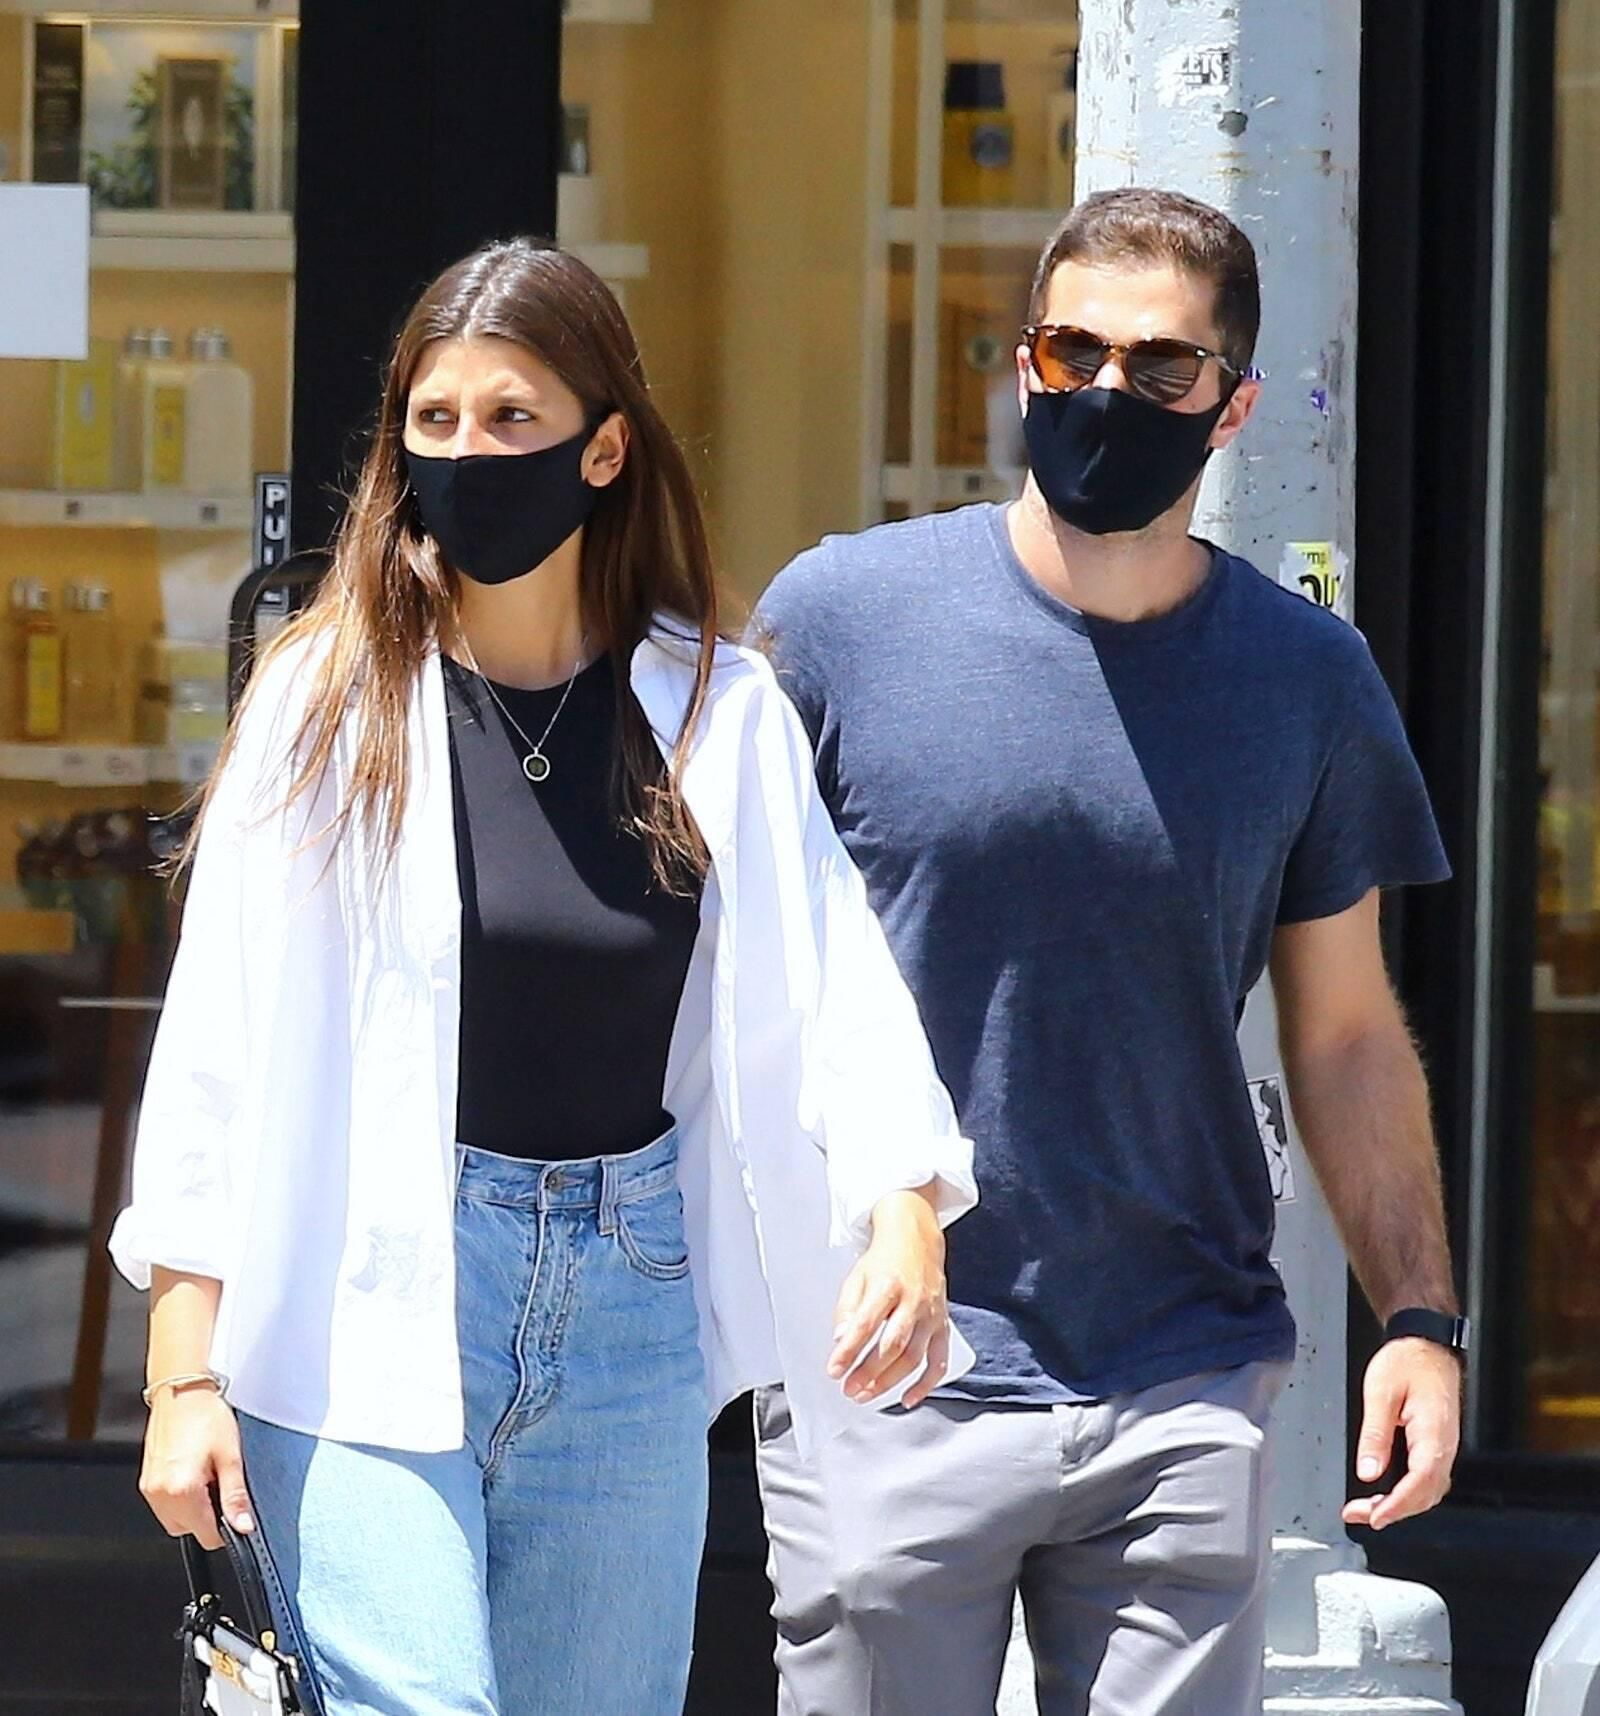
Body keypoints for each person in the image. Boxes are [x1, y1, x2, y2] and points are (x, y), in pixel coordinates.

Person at [111, 239, 977, 1716]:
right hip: (365, 1282)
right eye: (434, 423)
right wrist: (181, 1370)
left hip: (628, 1297)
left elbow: (835, 981)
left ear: (607, 447)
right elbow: (218, 1050)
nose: (469, 454)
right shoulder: (327, 705)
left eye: (513, 418)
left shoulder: (718, 704)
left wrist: (907, 1210)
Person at [753, 186, 1461, 1716]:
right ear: (1024, 365)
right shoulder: (840, 623)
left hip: (1181, 1364)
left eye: (1159, 369)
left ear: (1233, 405)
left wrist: (1420, 1316)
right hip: (888, 1354)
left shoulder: (1306, 677)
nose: (1104, 395)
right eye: (1072, 354)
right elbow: (731, 970)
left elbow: (1345, 1031)